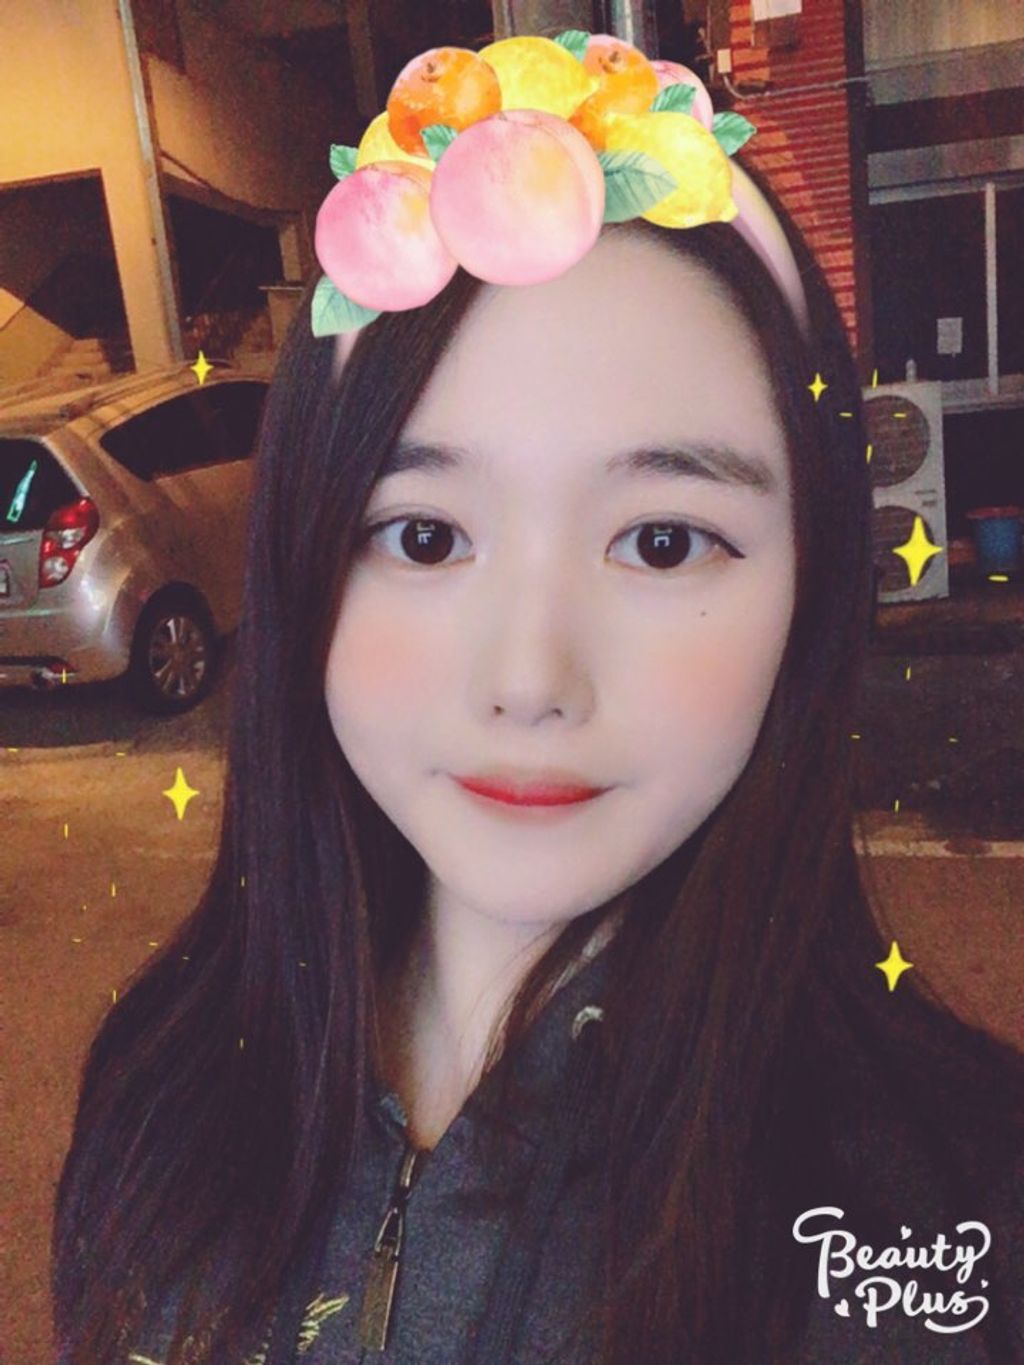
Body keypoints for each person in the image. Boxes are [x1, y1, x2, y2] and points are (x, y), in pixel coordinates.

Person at [52, 30, 1024, 1365]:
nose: (528, 681)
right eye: (425, 537)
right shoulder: (159, 1088)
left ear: (813, 585)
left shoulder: (961, 1222)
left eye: (664, 543)